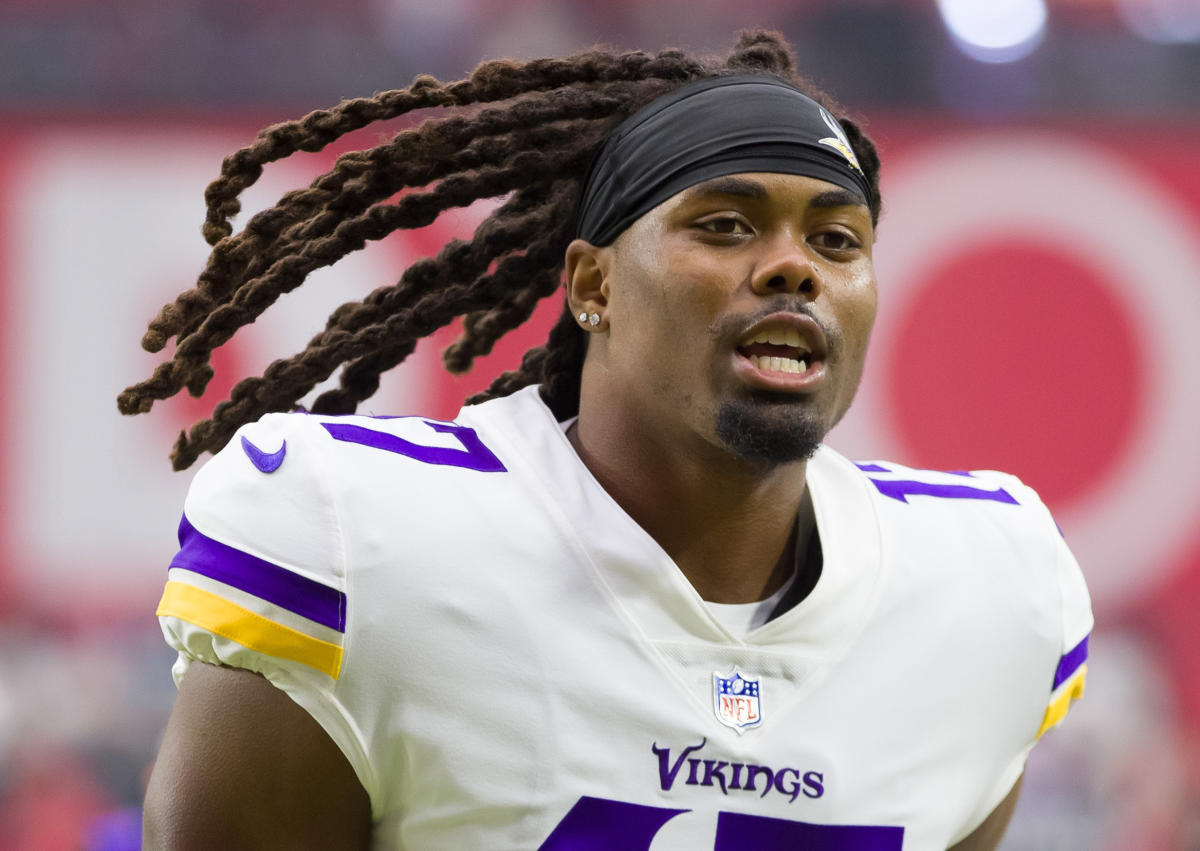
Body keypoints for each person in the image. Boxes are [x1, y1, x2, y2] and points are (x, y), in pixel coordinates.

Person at [121, 31, 1092, 850]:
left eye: (838, 241)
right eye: (725, 225)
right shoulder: (354, 534)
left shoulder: (990, 583)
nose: (795, 266)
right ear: (593, 287)